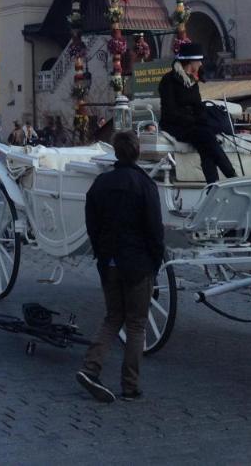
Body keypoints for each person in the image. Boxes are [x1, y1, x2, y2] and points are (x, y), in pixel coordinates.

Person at [76, 131, 164, 403]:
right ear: (137, 152)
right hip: (138, 264)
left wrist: (102, 251)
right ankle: (130, 385)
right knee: (136, 324)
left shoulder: (101, 183)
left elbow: (91, 222)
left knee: (113, 317)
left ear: (116, 153)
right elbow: (154, 230)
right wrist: (155, 261)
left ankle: (91, 368)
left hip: (110, 261)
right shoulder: (145, 185)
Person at [157, 42, 235, 184]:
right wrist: (195, 121)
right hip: (175, 125)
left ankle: (212, 184)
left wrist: (203, 121)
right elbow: (170, 112)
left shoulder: (193, 81)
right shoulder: (168, 81)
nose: (200, 64)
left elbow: (198, 107)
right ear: (190, 61)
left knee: (206, 142)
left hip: (193, 125)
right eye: (198, 60)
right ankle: (231, 176)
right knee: (205, 136)